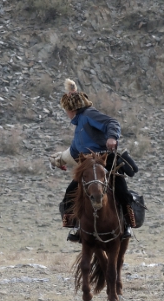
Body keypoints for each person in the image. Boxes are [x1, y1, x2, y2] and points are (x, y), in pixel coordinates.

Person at [56, 80, 135, 242]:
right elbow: (74, 151)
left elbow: (112, 123)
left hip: (104, 160)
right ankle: (75, 226)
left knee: (122, 190)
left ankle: (127, 224)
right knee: (70, 193)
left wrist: (112, 137)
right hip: (87, 166)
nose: (66, 113)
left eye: (66, 110)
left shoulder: (89, 115)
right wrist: (62, 161)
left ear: (72, 109)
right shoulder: (78, 127)